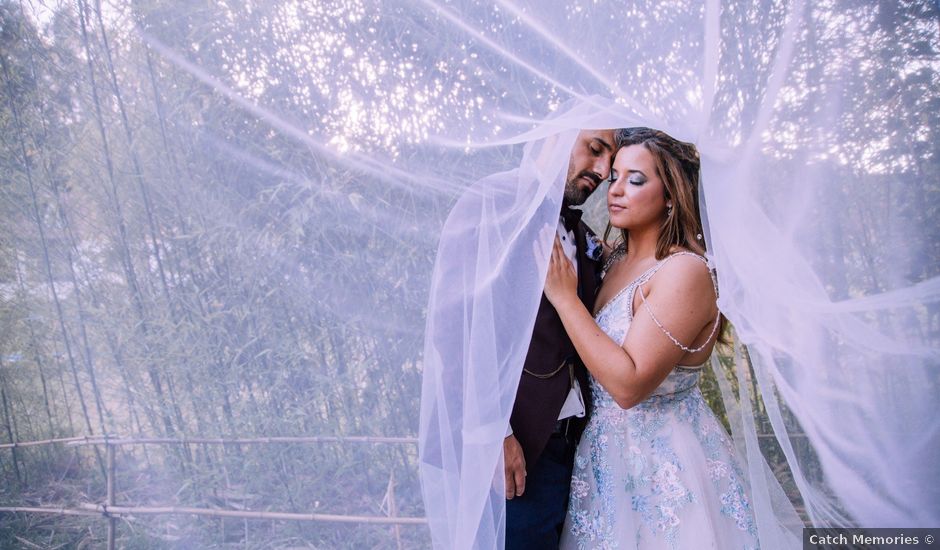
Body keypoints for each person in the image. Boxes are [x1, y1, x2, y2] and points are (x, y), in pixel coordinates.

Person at [543, 128, 760, 549]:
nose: (616, 189)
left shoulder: (686, 272)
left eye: (636, 179)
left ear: (672, 195)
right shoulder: (613, 260)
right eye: (615, 178)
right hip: (603, 462)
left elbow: (628, 386)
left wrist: (566, 300)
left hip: (663, 470)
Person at [504, 128, 616, 549]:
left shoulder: (586, 239)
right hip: (519, 450)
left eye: (611, 160)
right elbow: (458, 337)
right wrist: (493, 433)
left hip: (580, 454)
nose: (604, 171)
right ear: (557, 133)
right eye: (595, 149)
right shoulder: (496, 210)